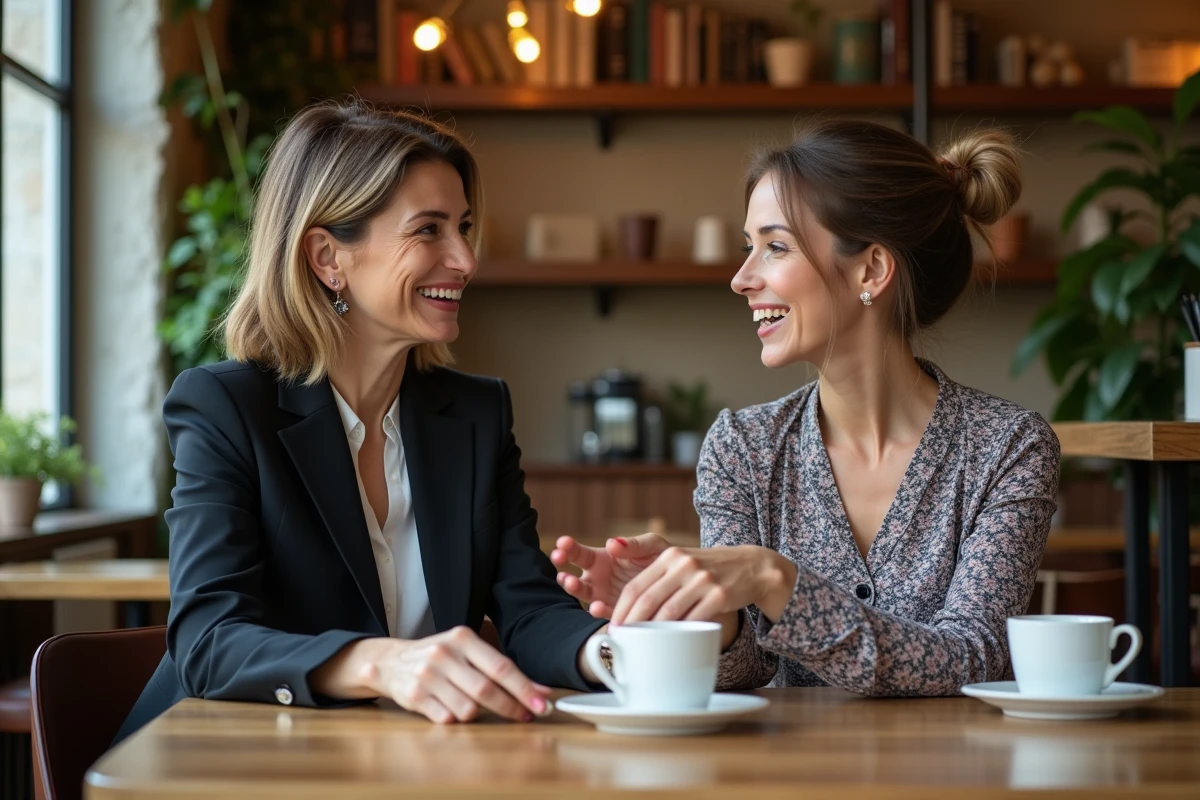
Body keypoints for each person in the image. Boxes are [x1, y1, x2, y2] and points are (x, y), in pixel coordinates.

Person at [119, 101, 606, 741]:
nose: (465, 258)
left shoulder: (476, 414)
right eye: (428, 230)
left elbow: (530, 609)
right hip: (230, 761)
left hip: (398, 761)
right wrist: (380, 663)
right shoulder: (226, 407)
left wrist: (617, 654)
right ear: (328, 257)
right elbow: (208, 641)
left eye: (463, 227)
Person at [553, 120, 1060, 696]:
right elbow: (746, 666)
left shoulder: (1008, 447)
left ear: (871, 269)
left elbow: (974, 659)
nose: (741, 279)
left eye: (775, 247)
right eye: (748, 248)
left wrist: (774, 579)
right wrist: (702, 609)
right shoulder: (741, 448)